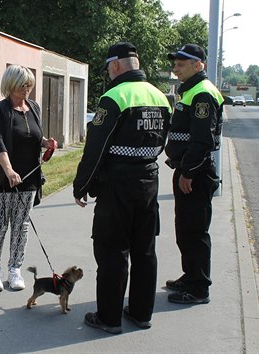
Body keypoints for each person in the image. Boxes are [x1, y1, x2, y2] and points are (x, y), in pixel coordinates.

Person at [73, 42, 171, 334]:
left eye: (108, 69)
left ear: (115, 66)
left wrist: (82, 186)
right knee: (144, 250)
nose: (108, 74)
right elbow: (162, 141)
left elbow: (96, 149)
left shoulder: (114, 96)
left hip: (117, 186)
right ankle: (141, 313)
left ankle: (109, 318)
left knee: (112, 251)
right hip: (149, 182)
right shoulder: (160, 96)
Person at [0, 65, 56, 292]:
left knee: (21, 226)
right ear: (10, 86)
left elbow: (34, 136)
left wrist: (47, 143)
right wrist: (9, 170)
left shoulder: (34, 108)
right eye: (23, 86)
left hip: (30, 179)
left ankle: (14, 270)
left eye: (29, 85)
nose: (27, 90)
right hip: (4, 179)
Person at [164, 44, 224, 304]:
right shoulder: (190, 91)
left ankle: (199, 288)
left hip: (196, 174)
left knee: (195, 232)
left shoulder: (202, 94)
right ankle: (190, 277)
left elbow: (202, 141)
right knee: (185, 229)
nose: (175, 67)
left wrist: (187, 172)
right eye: (175, 62)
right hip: (187, 170)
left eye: (181, 63)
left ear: (198, 65)